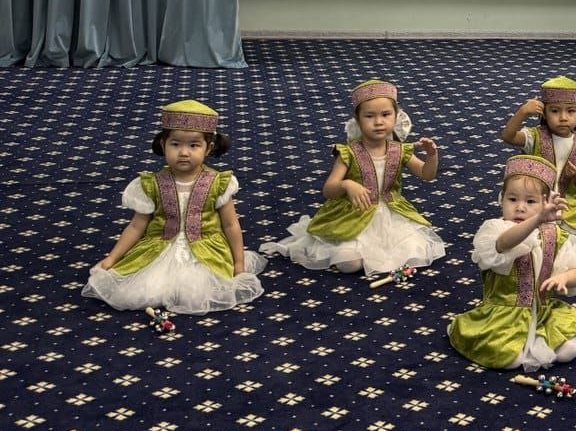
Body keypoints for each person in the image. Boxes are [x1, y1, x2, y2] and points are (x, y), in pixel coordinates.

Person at [83, 100, 265, 314]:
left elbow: (231, 225)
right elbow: (136, 227)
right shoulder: (151, 184)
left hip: (206, 251)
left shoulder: (219, 183)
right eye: (175, 144)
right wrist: (112, 258)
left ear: (208, 148)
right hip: (159, 248)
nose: (184, 152)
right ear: (163, 145)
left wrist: (239, 264)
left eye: (194, 145)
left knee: (199, 290)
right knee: (145, 289)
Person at [264, 79, 444, 275]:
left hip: (391, 214)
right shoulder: (349, 152)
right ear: (357, 120)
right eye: (369, 116)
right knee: (349, 264)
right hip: (353, 216)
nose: (378, 122)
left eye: (386, 115)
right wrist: (347, 184)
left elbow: (426, 175)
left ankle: (377, 255)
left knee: (413, 251)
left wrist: (432, 156)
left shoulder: (400, 150)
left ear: (396, 117)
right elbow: (328, 190)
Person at [448, 155, 576, 370]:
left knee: (568, 351)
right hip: (503, 315)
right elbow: (504, 244)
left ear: (545, 203)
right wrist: (537, 220)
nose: (520, 207)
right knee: (509, 359)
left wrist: (564, 277)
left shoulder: (554, 234)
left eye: (531, 201)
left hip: (543, 312)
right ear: (501, 199)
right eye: (512, 199)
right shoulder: (495, 229)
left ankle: (536, 341)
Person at [500, 76, 576, 244]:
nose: (563, 117)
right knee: (518, 224)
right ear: (544, 113)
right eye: (554, 111)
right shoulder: (534, 137)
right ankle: (549, 234)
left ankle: (549, 235)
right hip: (533, 200)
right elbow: (507, 136)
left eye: (571, 111)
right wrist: (523, 112)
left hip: (567, 204)